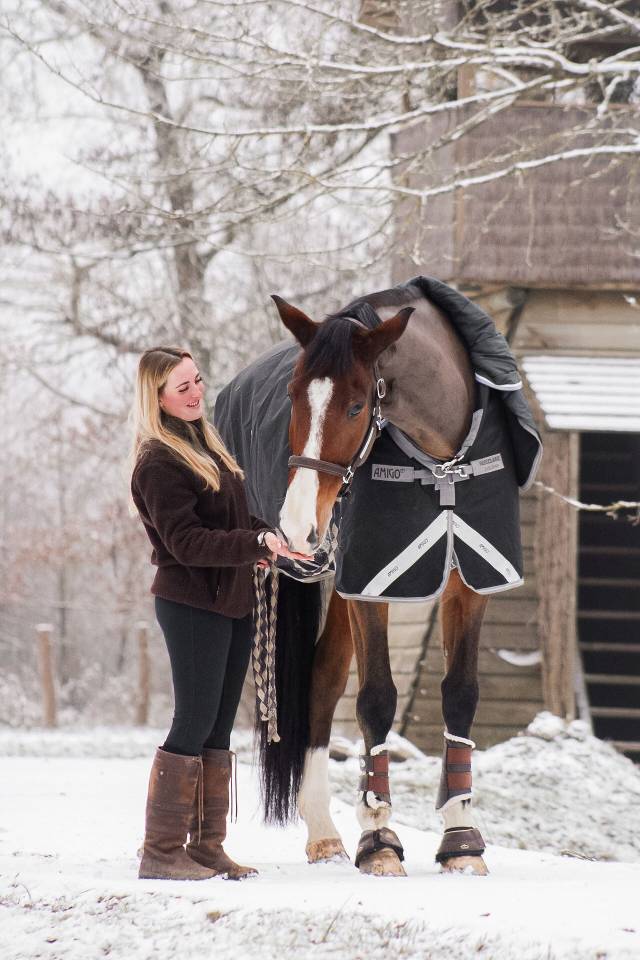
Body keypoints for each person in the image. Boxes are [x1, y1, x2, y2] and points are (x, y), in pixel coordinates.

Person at [129, 346, 306, 881]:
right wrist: (256, 542)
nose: (197, 393)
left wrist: (275, 536)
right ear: (156, 398)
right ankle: (162, 851)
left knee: (220, 725)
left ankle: (207, 847)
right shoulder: (159, 460)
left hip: (231, 599)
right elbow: (185, 542)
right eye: (182, 388)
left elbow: (232, 515)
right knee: (194, 719)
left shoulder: (204, 441)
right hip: (189, 602)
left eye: (197, 381)